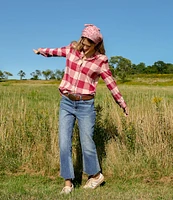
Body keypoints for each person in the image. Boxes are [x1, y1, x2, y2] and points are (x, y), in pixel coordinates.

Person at [33, 24, 128, 194]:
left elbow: (110, 83)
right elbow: (56, 51)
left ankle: (96, 175)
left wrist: (122, 103)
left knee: (87, 143)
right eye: (83, 42)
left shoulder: (101, 61)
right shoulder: (72, 50)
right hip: (66, 102)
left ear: (96, 45)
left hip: (86, 105)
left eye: (88, 44)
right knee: (64, 142)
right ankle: (68, 183)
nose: (83, 46)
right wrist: (42, 50)